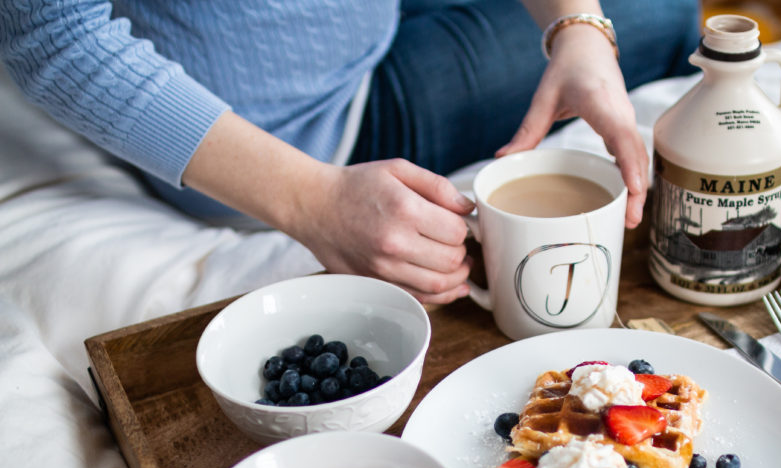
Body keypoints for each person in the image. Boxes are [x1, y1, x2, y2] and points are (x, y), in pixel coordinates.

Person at [0, 0, 701, 305]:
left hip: (370, 21)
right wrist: (314, 201)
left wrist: (576, 26)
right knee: (666, 12)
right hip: (286, 126)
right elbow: (52, 32)